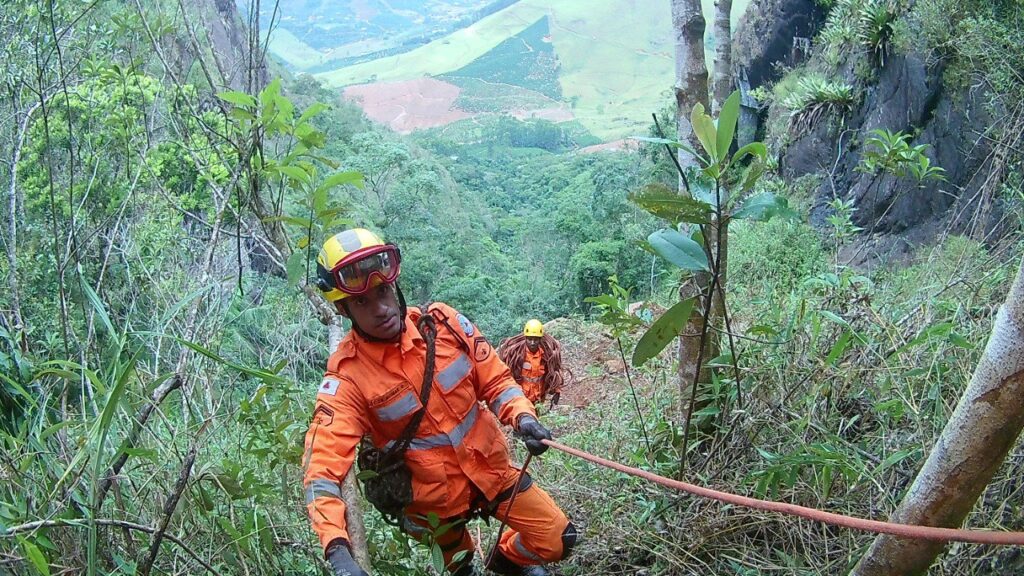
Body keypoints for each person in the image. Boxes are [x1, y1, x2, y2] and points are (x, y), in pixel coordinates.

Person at [302, 228, 577, 576]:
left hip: (491, 470)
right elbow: (323, 467)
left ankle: (506, 560)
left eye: (383, 291)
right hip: (434, 504)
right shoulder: (347, 378)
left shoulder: (444, 326)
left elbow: (495, 380)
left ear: (395, 284)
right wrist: (337, 550)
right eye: (362, 301)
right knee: (463, 571)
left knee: (558, 539)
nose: (381, 308)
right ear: (344, 310)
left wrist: (523, 417)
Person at [497, 320, 566, 406]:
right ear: (525, 338)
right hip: (521, 398)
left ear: (540, 339)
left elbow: (553, 371)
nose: (532, 343)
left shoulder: (546, 356)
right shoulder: (517, 355)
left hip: (538, 398)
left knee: (535, 417)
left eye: (535, 339)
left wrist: (557, 391)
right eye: (529, 339)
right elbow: (505, 374)